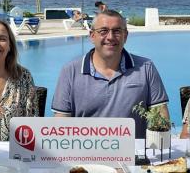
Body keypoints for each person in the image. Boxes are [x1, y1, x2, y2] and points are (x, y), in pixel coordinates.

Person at [52, 9, 169, 138]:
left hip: (134, 150)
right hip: (86, 149)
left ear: (125, 36)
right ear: (92, 36)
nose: (110, 37)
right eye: (103, 31)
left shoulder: (146, 68)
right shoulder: (70, 71)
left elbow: (161, 118)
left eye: (117, 31)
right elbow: (61, 124)